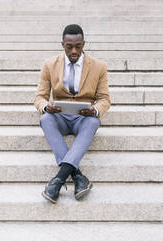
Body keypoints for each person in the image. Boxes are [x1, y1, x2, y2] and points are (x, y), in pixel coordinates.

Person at [34, 24, 111, 204]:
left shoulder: (99, 67)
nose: (74, 51)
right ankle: (77, 176)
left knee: (94, 122)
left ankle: (59, 179)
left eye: (78, 46)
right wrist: (47, 106)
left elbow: (104, 99)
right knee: (45, 119)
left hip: (83, 118)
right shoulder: (49, 65)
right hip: (60, 116)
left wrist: (95, 110)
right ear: (63, 45)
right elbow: (39, 97)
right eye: (69, 47)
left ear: (84, 44)